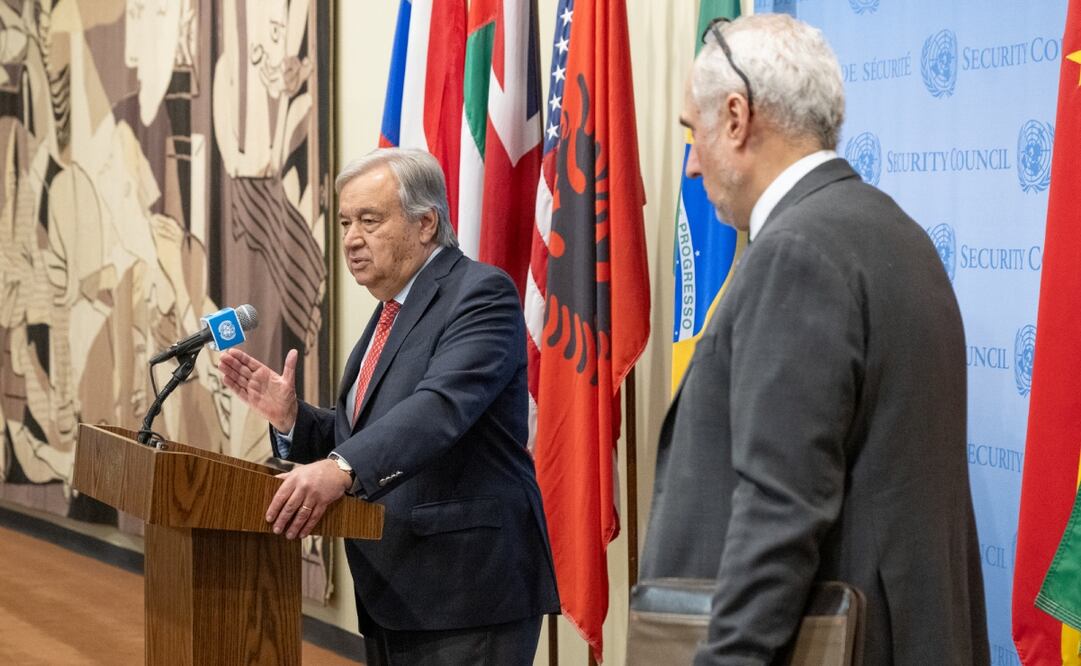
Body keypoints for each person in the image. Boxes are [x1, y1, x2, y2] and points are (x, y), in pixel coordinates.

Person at [638, 14, 988, 665]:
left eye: (694, 132)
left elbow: (780, 509)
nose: (690, 165)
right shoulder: (892, 232)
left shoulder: (796, 252)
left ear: (736, 118)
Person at [219, 147, 559, 665]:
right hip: (397, 589)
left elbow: (439, 409)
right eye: (345, 222)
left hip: (466, 590)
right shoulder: (391, 311)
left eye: (369, 221)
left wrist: (339, 468)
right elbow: (368, 433)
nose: (351, 239)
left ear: (427, 224)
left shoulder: (480, 293)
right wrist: (293, 419)